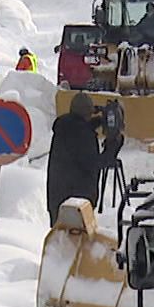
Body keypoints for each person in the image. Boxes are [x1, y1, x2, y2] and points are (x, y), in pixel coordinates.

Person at [46, 92, 112, 223]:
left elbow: (79, 129)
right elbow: (93, 164)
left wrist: (97, 122)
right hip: (76, 204)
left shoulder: (65, 127)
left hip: (58, 199)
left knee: (60, 240)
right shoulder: (82, 134)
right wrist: (112, 149)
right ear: (88, 113)